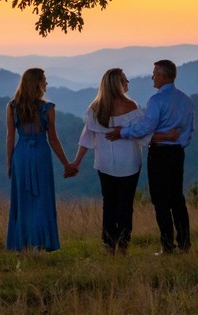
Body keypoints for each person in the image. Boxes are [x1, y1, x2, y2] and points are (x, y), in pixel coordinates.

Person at [71, 68, 178, 255]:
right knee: (125, 205)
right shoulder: (131, 108)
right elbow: (143, 134)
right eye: (125, 79)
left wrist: (76, 162)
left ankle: (108, 244)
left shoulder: (95, 109)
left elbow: (86, 139)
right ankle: (123, 244)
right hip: (129, 163)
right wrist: (167, 136)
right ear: (119, 84)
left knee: (109, 203)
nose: (128, 82)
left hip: (104, 164)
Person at [106, 60, 195, 254]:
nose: (152, 77)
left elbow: (145, 127)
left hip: (160, 153)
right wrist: (177, 143)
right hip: (177, 153)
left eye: (154, 73)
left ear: (163, 76)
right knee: (177, 198)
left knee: (161, 200)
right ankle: (185, 243)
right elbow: (188, 131)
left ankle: (167, 245)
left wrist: (122, 132)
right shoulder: (185, 100)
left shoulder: (157, 101)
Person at [6, 68, 76, 252]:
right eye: (44, 79)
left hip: (21, 155)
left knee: (22, 200)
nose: (47, 83)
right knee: (41, 199)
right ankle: (39, 243)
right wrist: (66, 164)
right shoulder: (48, 108)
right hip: (40, 155)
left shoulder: (12, 107)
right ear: (37, 83)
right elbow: (53, 139)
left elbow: (10, 138)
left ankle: (23, 243)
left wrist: (10, 162)